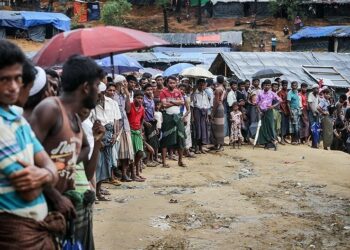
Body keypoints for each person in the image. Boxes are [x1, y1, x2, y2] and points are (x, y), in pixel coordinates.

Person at [29, 55, 103, 249]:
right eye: (97, 86)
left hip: (61, 210)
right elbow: (25, 158)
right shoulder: (51, 109)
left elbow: (86, 146)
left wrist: (65, 165)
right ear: (86, 87)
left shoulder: (75, 119)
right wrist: (55, 196)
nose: (99, 91)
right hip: (38, 209)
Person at [0, 40, 63, 249]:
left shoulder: (15, 117)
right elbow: (29, 192)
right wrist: (48, 173)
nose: (13, 87)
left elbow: (49, 167)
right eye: (4, 80)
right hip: (16, 236)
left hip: (33, 231)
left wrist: (45, 174)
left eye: (17, 78)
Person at [91, 82, 121, 200]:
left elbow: (117, 121)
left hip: (109, 135)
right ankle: (94, 193)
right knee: (96, 165)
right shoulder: (92, 105)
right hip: (97, 136)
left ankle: (98, 192)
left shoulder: (112, 103)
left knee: (106, 165)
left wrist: (115, 135)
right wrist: (98, 141)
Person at [159, 75, 186, 168]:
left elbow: (182, 102)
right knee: (166, 138)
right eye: (170, 82)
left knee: (181, 137)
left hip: (178, 117)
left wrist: (170, 101)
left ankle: (180, 161)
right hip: (168, 117)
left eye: (174, 83)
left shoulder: (178, 91)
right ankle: (164, 162)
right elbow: (164, 105)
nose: (172, 84)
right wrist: (176, 101)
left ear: (176, 83)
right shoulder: (163, 92)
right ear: (167, 83)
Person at [114, 77, 134, 182]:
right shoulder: (113, 95)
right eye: (124, 82)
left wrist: (127, 95)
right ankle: (113, 175)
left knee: (127, 152)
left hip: (125, 125)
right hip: (116, 126)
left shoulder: (123, 95)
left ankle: (124, 174)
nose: (126, 84)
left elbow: (128, 110)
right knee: (116, 153)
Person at [256, 79, 281, 150]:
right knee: (263, 128)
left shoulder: (272, 93)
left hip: (269, 112)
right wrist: (259, 111)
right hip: (262, 112)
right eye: (266, 85)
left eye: (268, 85)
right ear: (263, 85)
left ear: (270, 86)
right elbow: (257, 104)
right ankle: (266, 143)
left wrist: (273, 106)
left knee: (270, 126)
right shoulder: (260, 93)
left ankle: (273, 141)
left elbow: (280, 100)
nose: (267, 86)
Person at [127, 90, 146, 181]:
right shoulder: (130, 105)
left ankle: (134, 172)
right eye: (138, 98)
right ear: (134, 98)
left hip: (137, 132)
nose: (140, 100)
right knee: (132, 153)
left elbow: (142, 120)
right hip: (129, 131)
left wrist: (141, 129)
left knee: (140, 153)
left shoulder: (142, 108)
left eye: (142, 98)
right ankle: (133, 174)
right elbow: (126, 116)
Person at [192, 78, 210, 154]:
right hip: (197, 112)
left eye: (203, 85)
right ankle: (196, 148)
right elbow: (192, 106)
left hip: (204, 112)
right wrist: (192, 117)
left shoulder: (205, 94)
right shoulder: (194, 94)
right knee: (197, 129)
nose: (202, 86)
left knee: (203, 130)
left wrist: (207, 116)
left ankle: (201, 147)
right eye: (201, 85)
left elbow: (207, 105)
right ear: (198, 85)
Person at [143, 83, 159, 167]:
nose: (149, 91)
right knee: (148, 141)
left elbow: (152, 111)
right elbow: (142, 112)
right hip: (146, 122)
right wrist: (144, 122)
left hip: (152, 121)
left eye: (151, 89)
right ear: (144, 91)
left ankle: (151, 159)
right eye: (147, 90)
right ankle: (147, 160)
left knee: (153, 141)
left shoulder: (151, 99)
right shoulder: (143, 100)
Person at [210, 75, 226, 151]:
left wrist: (213, 112)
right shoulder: (223, 88)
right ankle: (218, 144)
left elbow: (216, 102)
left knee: (218, 127)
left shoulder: (217, 90)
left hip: (218, 108)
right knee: (219, 126)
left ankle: (220, 145)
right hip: (221, 107)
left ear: (216, 80)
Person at [179, 83, 193, 158]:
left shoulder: (186, 98)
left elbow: (188, 110)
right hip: (179, 116)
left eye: (183, 90)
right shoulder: (177, 98)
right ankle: (182, 150)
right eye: (180, 89)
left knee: (186, 133)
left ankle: (186, 149)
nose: (182, 91)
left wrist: (185, 117)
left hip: (185, 116)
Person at [308, 84, 320, 148]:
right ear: (313, 89)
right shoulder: (310, 94)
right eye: (316, 89)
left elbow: (317, 104)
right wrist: (313, 112)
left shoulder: (317, 95)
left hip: (316, 113)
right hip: (312, 113)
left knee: (316, 128)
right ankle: (314, 144)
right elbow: (309, 104)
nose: (317, 90)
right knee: (313, 128)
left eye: (317, 89)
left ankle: (315, 143)